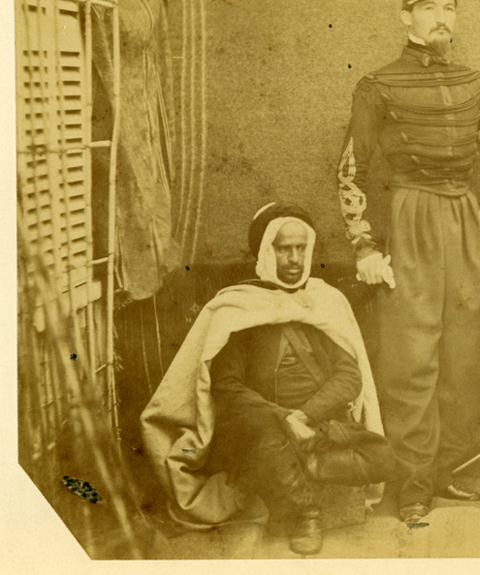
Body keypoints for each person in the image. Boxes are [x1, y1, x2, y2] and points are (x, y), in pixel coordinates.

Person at [337, 0, 480, 522]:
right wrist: (365, 246)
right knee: (411, 358)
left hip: (465, 219)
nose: (443, 18)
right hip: (410, 218)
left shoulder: (472, 81)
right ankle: (413, 487)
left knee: (465, 356)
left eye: (449, 8)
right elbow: (351, 170)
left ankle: (445, 472)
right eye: (429, 8)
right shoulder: (378, 85)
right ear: (407, 17)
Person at [141, 203, 394, 555]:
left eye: (301, 248)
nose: (294, 258)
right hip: (263, 424)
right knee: (265, 443)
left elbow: (350, 376)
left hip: (316, 422)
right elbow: (227, 387)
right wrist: (283, 417)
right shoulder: (239, 307)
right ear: (266, 251)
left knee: (383, 456)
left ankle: (304, 463)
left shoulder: (324, 301)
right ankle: (306, 513)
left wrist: (306, 416)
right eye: (284, 248)